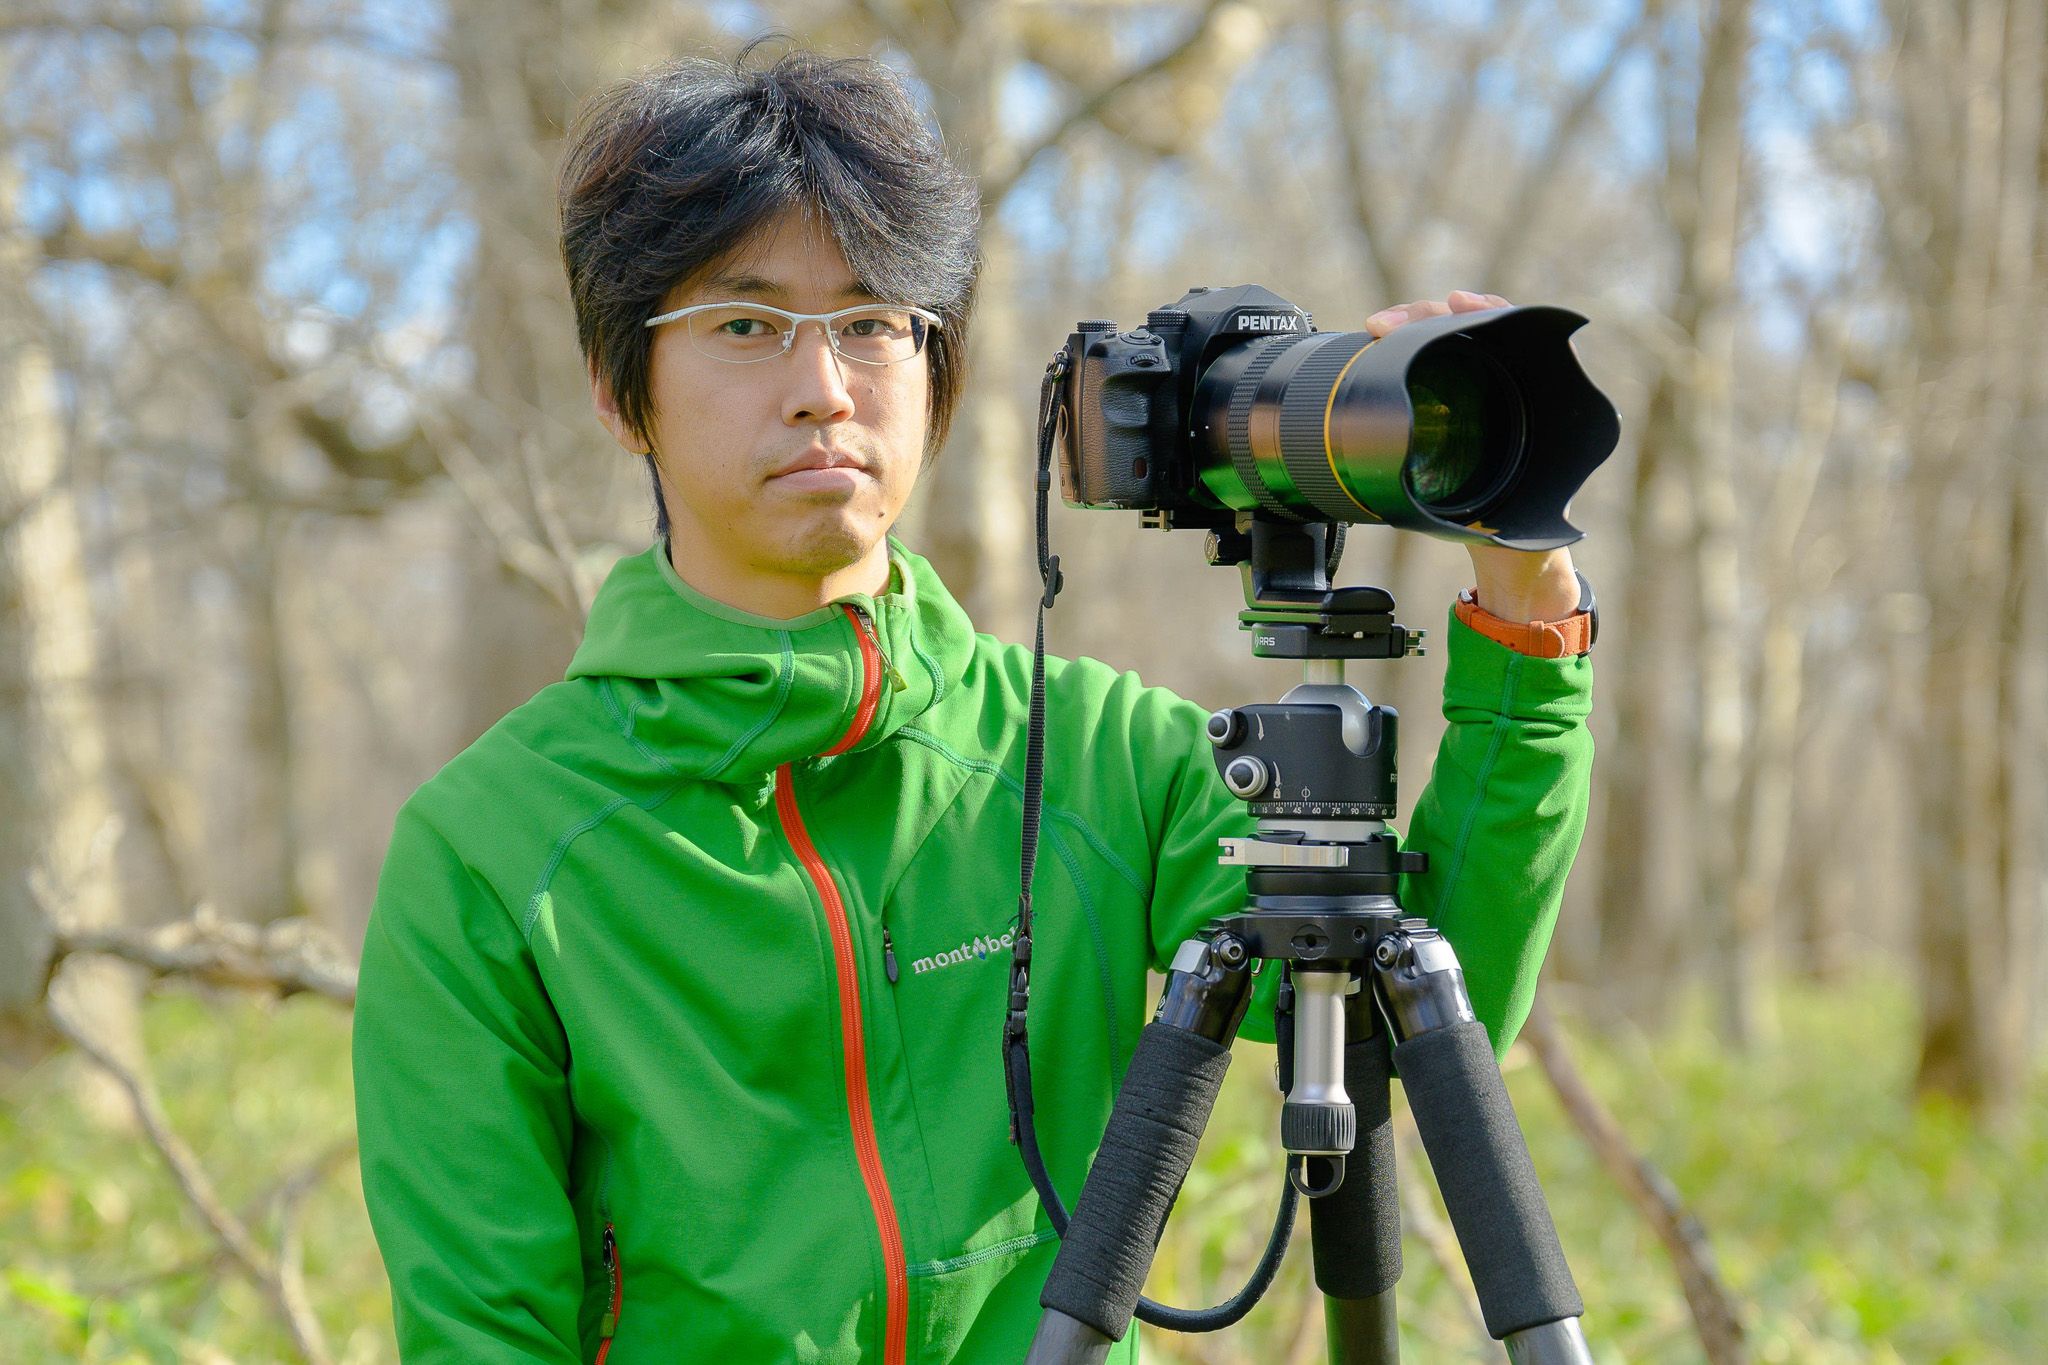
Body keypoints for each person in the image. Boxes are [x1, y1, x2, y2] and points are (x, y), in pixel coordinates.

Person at [350, 43, 1597, 1365]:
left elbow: (1411, 1031)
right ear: (620, 390)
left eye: (874, 321)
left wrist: (1526, 598)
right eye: (745, 323)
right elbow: (483, 1336)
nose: (822, 385)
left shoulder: (1103, 759)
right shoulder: (490, 852)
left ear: (934, 376)